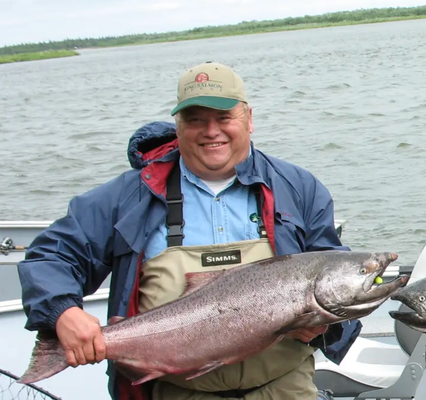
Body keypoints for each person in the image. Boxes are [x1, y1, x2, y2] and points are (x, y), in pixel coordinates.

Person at [17, 61, 360, 400]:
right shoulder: (128, 198)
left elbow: (335, 278)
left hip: (285, 387)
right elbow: (51, 256)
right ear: (178, 126)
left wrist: (323, 328)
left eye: (224, 118)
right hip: (177, 392)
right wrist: (64, 312)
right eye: (196, 120)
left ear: (249, 119)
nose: (211, 131)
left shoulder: (298, 188)